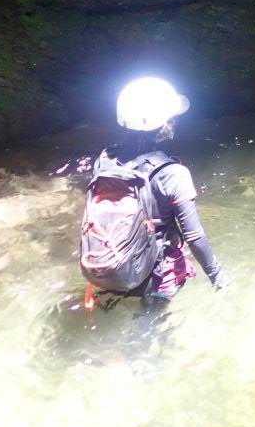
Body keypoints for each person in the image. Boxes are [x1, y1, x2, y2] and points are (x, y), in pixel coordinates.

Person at [82, 77, 228, 312]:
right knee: (153, 325)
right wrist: (219, 278)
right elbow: (194, 237)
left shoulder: (104, 159)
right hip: (155, 274)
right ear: (166, 123)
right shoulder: (172, 173)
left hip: (108, 266)